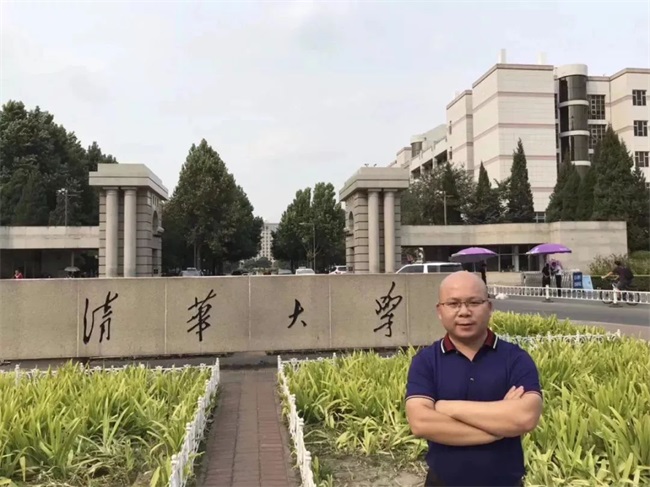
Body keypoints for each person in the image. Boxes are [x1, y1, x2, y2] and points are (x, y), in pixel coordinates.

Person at [405, 271, 543, 487]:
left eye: (474, 302)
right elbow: (421, 423)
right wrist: (498, 430)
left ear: (489, 307)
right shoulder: (426, 361)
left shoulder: (515, 359)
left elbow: (525, 417)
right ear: (440, 311)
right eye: (453, 304)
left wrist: (447, 407)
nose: (464, 312)